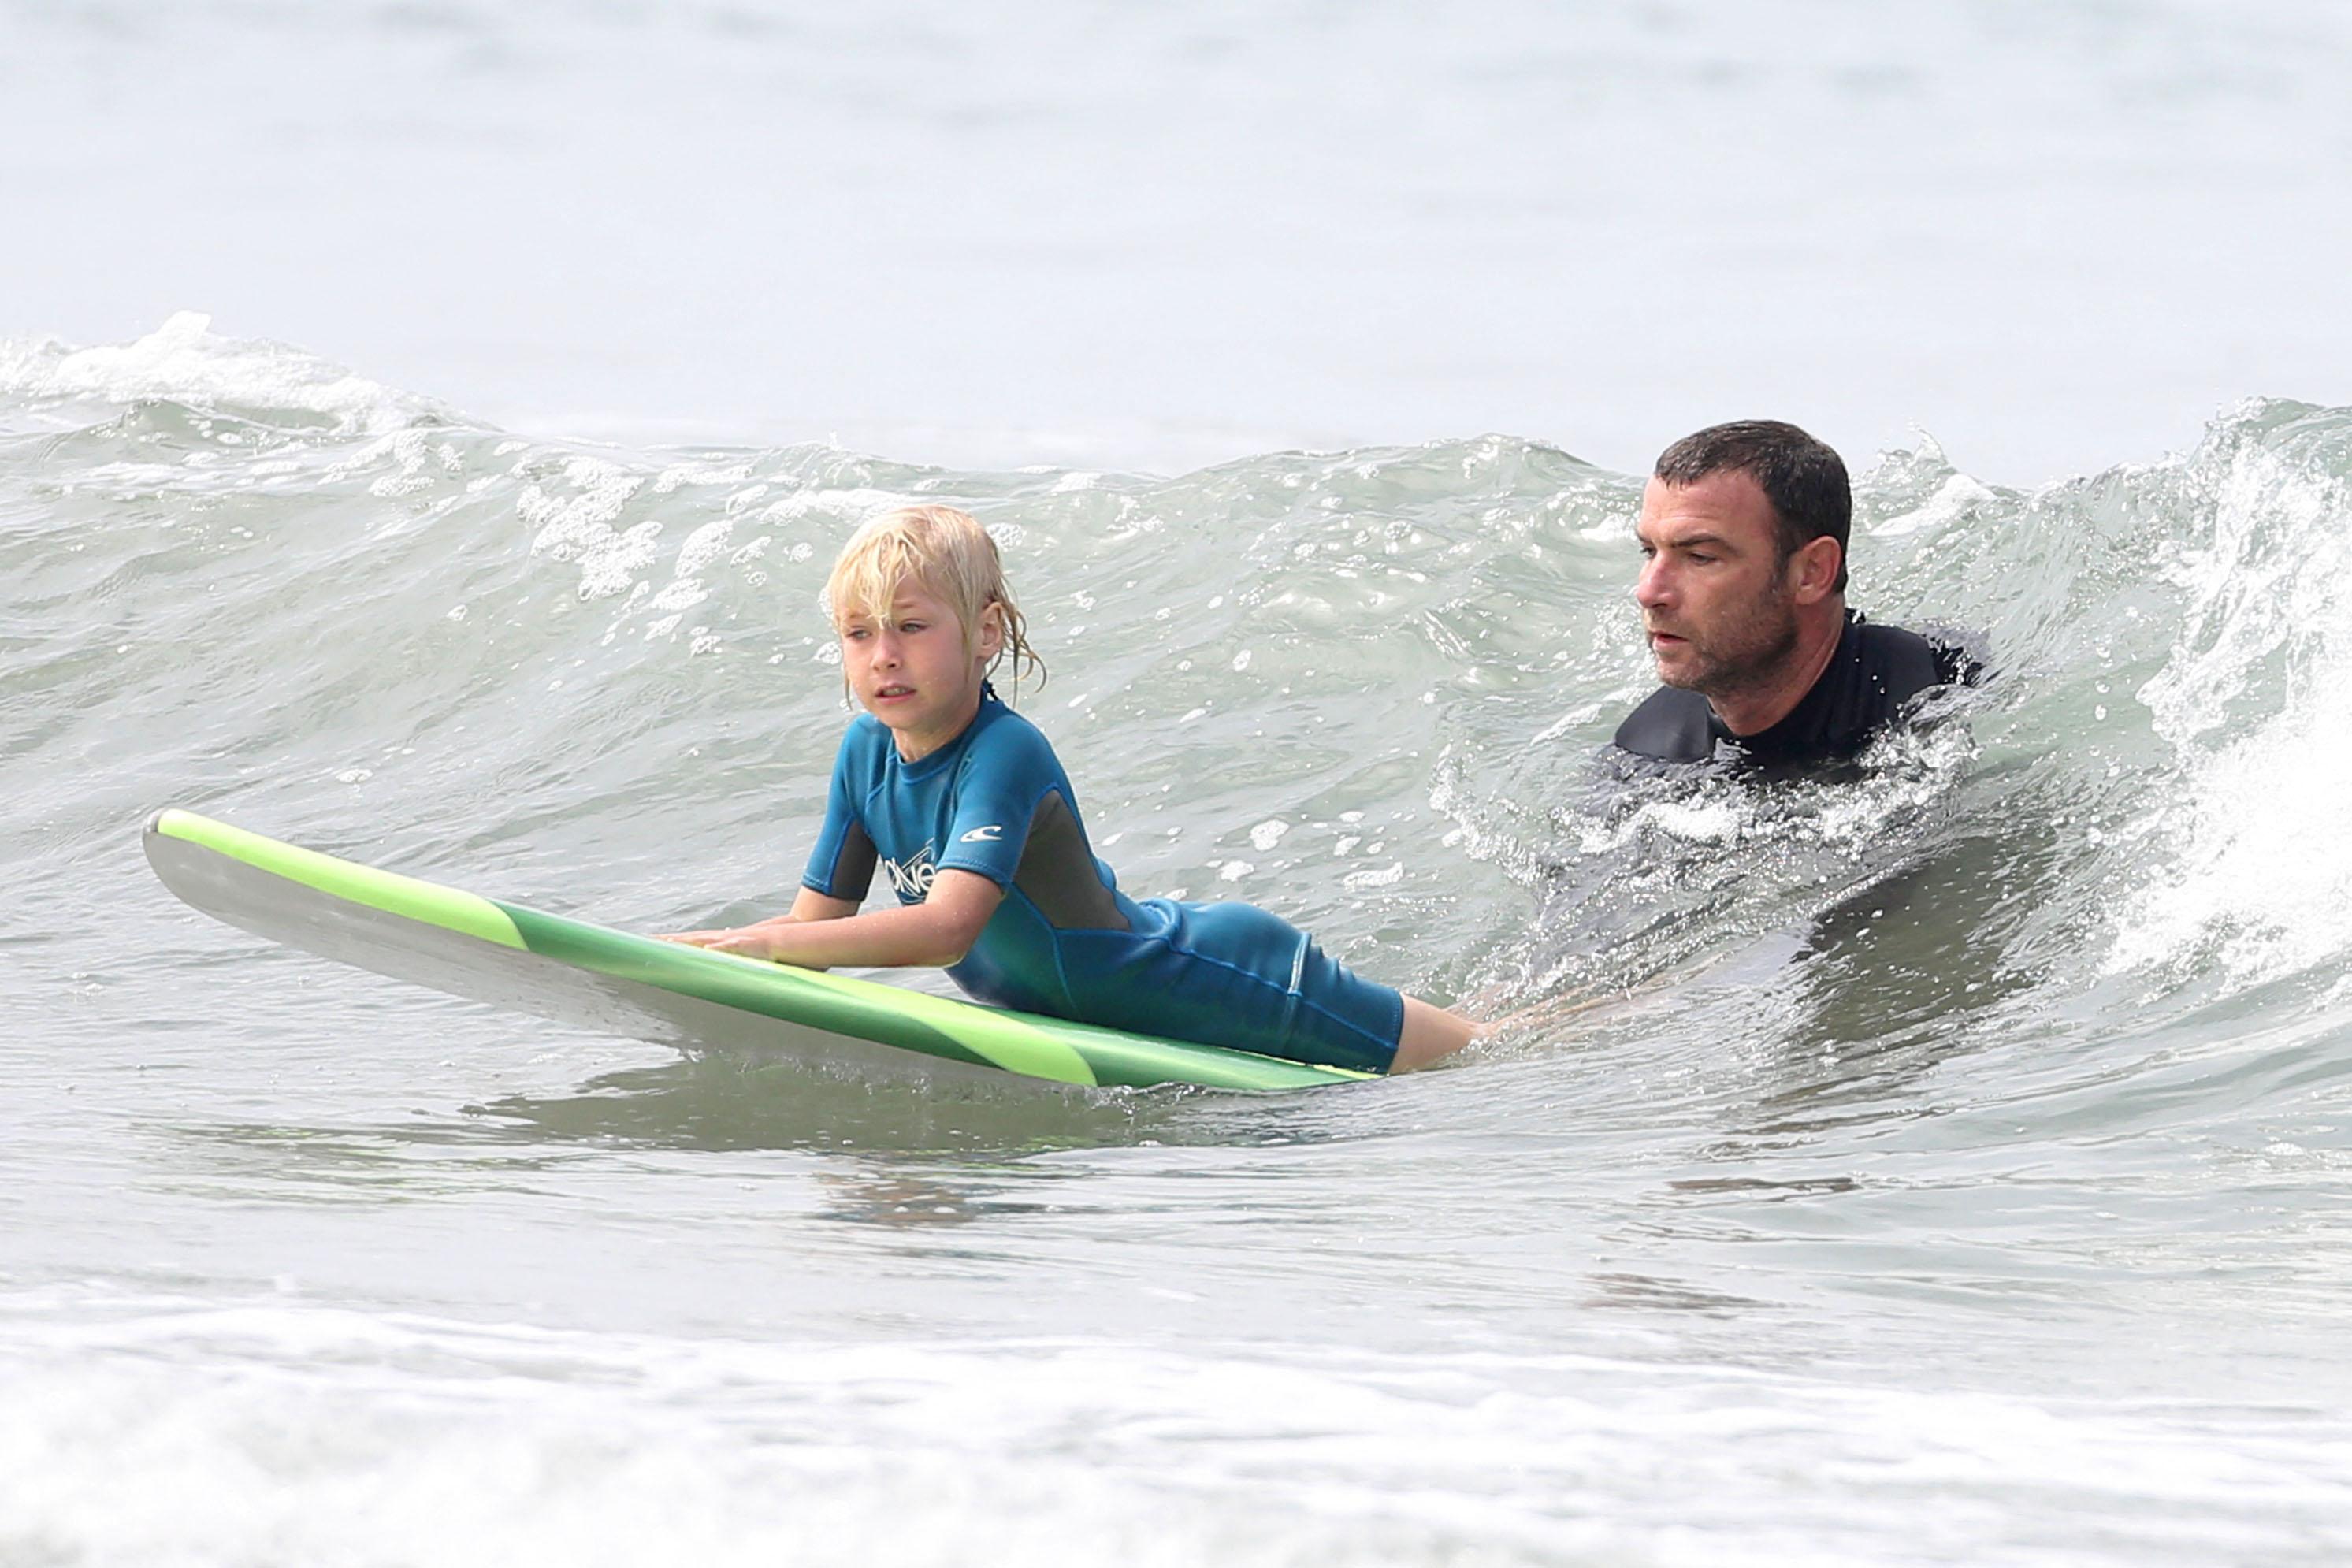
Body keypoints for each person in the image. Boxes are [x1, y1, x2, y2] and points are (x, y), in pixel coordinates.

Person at [664, 504, 1478, 1074]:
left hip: (1214, 975)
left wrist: (762, 945)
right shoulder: (862, 755)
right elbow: (815, 934)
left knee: (1479, 1051)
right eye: (858, 632)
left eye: (911, 626)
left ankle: (1597, 1024)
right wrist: (712, 952)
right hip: (1098, 1006)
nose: (883, 654)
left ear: (986, 633)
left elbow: (948, 929)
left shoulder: (1005, 751)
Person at [1614, 420, 1978, 766]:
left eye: (1700, 557)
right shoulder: (1644, 754)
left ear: (1812, 572)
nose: (1648, 592)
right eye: (1649, 551)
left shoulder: (1944, 689)